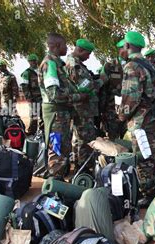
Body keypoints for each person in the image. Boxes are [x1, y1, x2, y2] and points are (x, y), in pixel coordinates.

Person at [118, 31, 155, 207]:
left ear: (127, 46)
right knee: (153, 156)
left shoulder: (132, 67)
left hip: (141, 122)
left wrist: (121, 115)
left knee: (143, 158)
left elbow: (131, 97)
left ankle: (149, 195)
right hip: (154, 119)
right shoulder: (149, 65)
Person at [38, 32, 88, 180]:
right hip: (55, 116)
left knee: (63, 149)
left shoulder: (57, 63)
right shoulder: (50, 64)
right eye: (65, 45)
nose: (67, 48)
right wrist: (79, 96)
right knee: (57, 150)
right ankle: (54, 186)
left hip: (62, 115)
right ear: (58, 45)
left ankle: (59, 181)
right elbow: (55, 94)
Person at [66, 38, 102, 169]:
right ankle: (84, 169)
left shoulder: (76, 64)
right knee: (85, 140)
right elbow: (86, 87)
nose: (88, 56)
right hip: (82, 109)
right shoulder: (75, 65)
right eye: (87, 53)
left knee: (78, 139)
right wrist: (102, 79)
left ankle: (79, 167)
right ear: (79, 50)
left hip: (82, 108)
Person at [100, 39, 126, 140]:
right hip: (112, 110)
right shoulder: (109, 66)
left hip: (128, 109)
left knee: (127, 138)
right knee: (113, 137)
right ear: (120, 50)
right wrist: (102, 110)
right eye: (126, 48)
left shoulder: (133, 65)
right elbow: (102, 88)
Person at [20, 54, 43, 135]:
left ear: (37, 61)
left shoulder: (41, 70)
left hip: (43, 98)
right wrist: (28, 98)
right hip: (33, 99)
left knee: (43, 116)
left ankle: (42, 133)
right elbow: (24, 86)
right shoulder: (27, 73)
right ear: (29, 62)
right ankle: (31, 133)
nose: (33, 62)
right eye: (31, 61)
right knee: (34, 117)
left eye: (34, 60)